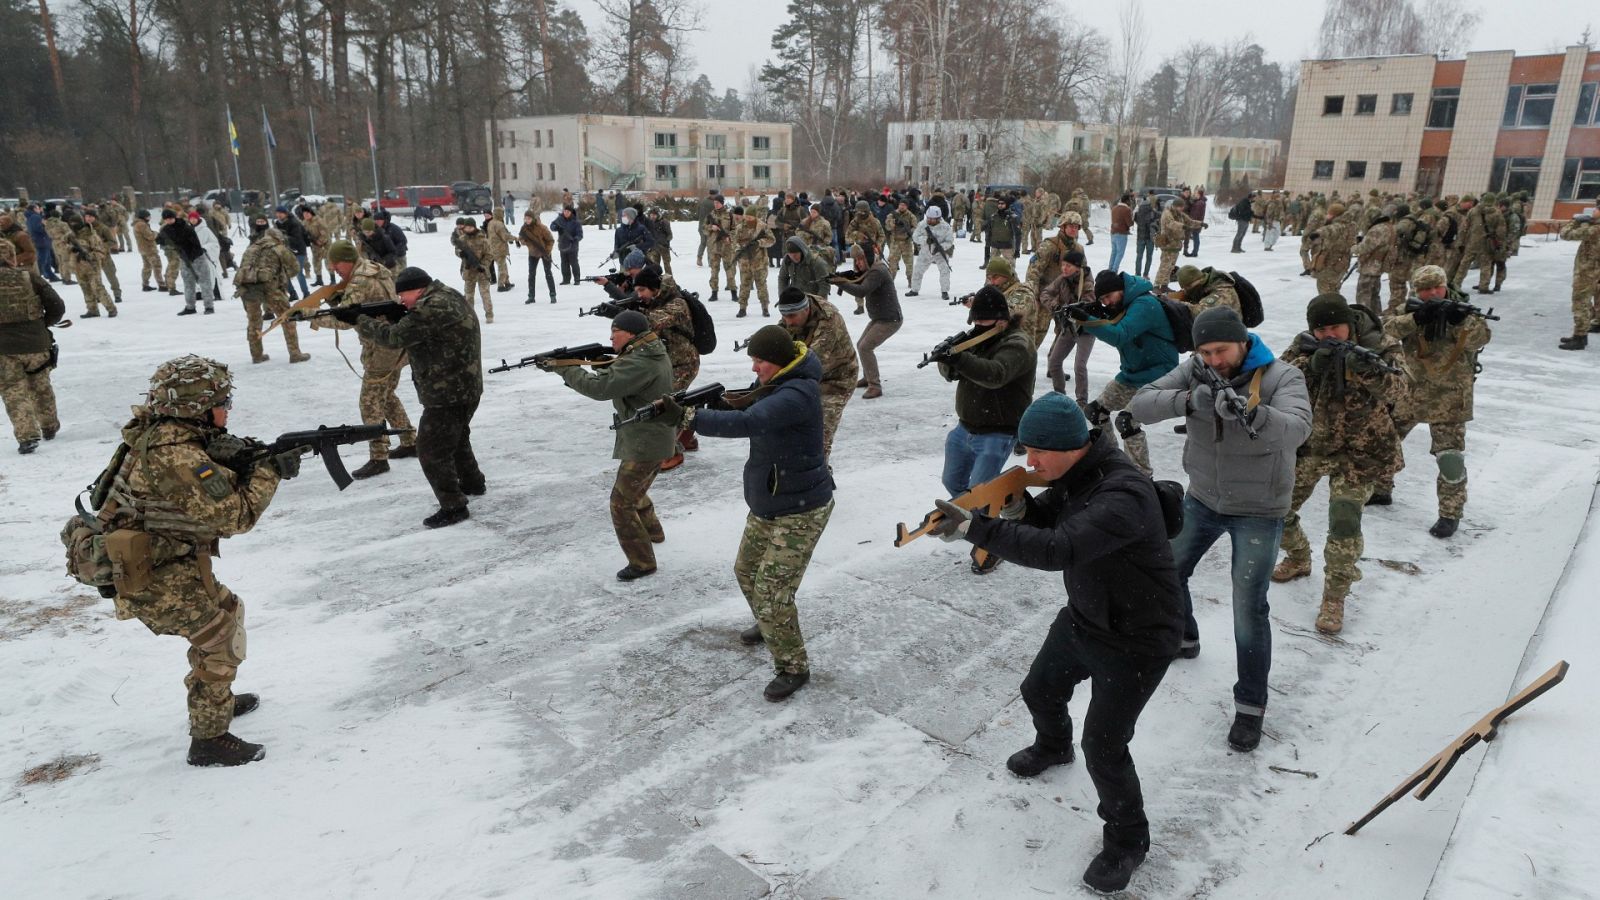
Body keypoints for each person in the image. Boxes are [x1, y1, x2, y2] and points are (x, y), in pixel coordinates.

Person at [929, 392, 1182, 894]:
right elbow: (1049, 522)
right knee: (1039, 691)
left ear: (1073, 446)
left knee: (1105, 747)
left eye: (1037, 452)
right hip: (1086, 617)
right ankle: (1052, 746)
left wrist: (977, 530)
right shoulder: (1072, 476)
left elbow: (1058, 550)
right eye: (1027, 451)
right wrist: (1019, 508)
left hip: (1139, 637)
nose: (1029, 461)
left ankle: (1128, 840)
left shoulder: (1122, 495)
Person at [1129, 307, 1311, 751]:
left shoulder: (1281, 376)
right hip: (1204, 498)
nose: (1213, 359)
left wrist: (1254, 412)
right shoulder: (1195, 369)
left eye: (1221, 350)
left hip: (1260, 509)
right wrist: (1189, 401)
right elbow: (1139, 404)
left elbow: (1299, 429)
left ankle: (1250, 707)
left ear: (1244, 342)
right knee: (1167, 571)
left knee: (1248, 611)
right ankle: (1185, 636)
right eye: (1205, 351)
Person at [106, 355, 301, 766]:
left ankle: (215, 700)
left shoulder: (165, 434)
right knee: (219, 638)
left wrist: (240, 457)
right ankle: (209, 741)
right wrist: (270, 471)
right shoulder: (176, 456)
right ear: (197, 407)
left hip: (166, 559)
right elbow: (236, 517)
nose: (227, 408)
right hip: (151, 572)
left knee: (228, 611)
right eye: (223, 401)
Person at [667, 324, 834, 702]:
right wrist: (715, 405)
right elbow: (750, 406)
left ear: (778, 361)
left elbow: (750, 422)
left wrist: (691, 419)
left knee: (772, 592)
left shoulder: (799, 393)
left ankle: (793, 667)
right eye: (753, 360)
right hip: (771, 499)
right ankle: (770, 623)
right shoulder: (778, 383)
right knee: (746, 571)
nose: (754, 367)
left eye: (760, 361)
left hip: (801, 507)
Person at [1272, 295, 1408, 634]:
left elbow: (1403, 391)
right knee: (1275, 510)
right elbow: (1276, 380)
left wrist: (1367, 372)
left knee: (1345, 520)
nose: (1330, 334)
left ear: (1350, 323)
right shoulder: (1304, 346)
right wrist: (1311, 366)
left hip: (1360, 452)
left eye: (1336, 327)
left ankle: (1334, 597)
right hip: (1313, 445)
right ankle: (1300, 557)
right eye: (1322, 329)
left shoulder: (1382, 344)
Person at [548, 309, 676, 580]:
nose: (611, 338)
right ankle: (654, 531)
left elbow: (600, 389)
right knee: (636, 489)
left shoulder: (641, 360)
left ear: (630, 334)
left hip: (646, 442)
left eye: (614, 333)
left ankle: (642, 562)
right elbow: (618, 376)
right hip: (651, 437)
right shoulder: (646, 352)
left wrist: (566, 368)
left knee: (621, 503)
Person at [352, 267, 484, 528]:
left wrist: (361, 320)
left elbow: (394, 337)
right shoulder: (448, 294)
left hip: (447, 392)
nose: (401, 301)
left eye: (403, 295)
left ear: (418, 289)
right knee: (455, 438)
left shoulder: (431, 307)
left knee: (431, 450)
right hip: (465, 386)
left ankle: (453, 505)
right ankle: (472, 482)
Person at [1373, 266, 1491, 536]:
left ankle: (1450, 513)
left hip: (1450, 396)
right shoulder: (1411, 309)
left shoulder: (1462, 310)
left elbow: (1481, 338)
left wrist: (1459, 320)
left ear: (1444, 285)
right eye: (1425, 290)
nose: (1431, 293)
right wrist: (1416, 318)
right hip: (1411, 390)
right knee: (1383, 438)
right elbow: (1384, 332)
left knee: (1449, 458)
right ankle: (1380, 488)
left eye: (1435, 288)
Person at [937, 285, 1036, 573]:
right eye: (975, 323)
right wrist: (947, 358)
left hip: (998, 432)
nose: (978, 328)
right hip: (964, 429)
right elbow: (952, 372)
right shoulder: (979, 336)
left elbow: (995, 375)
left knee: (978, 498)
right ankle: (1004, 503)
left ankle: (993, 544)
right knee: (954, 485)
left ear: (1002, 320)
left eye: (984, 323)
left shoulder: (1018, 343)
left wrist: (960, 358)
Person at [309, 240, 416, 478]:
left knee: (369, 403)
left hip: (382, 348)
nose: (334, 268)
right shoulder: (376, 269)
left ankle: (379, 458)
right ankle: (409, 440)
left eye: (336, 264)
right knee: (386, 396)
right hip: (396, 342)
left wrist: (311, 316)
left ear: (347, 261)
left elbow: (346, 319)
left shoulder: (359, 280)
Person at [1068, 270, 1177, 476]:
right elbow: (1113, 325)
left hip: (1159, 375)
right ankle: (1112, 461)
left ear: (1122, 290)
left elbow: (1120, 335)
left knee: (1127, 421)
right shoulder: (1121, 306)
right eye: (1102, 300)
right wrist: (1092, 313)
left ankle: (1141, 476)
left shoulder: (1145, 304)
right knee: (1095, 411)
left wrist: (1087, 319)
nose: (1107, 302)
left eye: (1109, 296)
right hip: (1132, 374)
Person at [0, 239, 64, 454]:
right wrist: (41, 325)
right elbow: (57, 305)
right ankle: (49, 426)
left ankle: (27, 436)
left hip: (4, 350)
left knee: (13, 391)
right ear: (12, 256)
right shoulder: (29, 276)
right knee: (41, 385)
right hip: (37, 344)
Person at [777, 286, 857, 458]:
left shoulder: (828, 321)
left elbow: (809, 362)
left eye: (791, 316)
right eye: (784, 316)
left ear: (806, 310)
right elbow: (779, 339)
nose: (787, 321)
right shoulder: (795, 308)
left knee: (819, 434)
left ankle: (819, 478)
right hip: (807, 378)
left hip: (837, 380)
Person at [633, 268, 700, 471]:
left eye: (642, 290)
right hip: (669, 363)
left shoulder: (677, 304)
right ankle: (688, 437)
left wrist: (626, 316)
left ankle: (673, 452)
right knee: (670, 402)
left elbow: (652, 322)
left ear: (655, 289)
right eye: (637, 290)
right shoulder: (655, 301)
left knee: (664, 406)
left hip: (684, 363)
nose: (639, 295)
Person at [233, 213, 309, 365]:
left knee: (254, 322)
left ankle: (256, 355)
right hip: (271, 288)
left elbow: (243, 268)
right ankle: (295, 353)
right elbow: (295, 269)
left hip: (248, 289)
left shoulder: (251, 248)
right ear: (279, 238)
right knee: (287, 318)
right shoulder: (279, 248)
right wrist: (282, 276)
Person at [832, 242, 901, 399]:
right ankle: (868, 377)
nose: (858, 263)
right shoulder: (871, 269)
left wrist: (841, 282)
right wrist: (842, 277)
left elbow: (862, 290)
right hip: (880, 318)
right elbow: (858, 279)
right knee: (861, 344)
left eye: (861, 259)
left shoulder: (878, 271)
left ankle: (875, 386)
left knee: (865, 347)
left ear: (868, 258)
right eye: (856, 260)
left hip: (890, 320)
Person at [1039, 251, 1095, 403]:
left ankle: (1082, 401)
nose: (1064, 268)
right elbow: (1045, 293)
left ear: (1077, 268)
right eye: (1063, 265)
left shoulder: (1087, 282)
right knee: (1054, 363)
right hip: (1069, 327)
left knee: (1080, 366)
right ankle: (1060, 396)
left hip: (1085, 329)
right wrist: (1055, 306)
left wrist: (1070, 309)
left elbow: (1087, 306)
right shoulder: (1062, 279)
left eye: (1068, 266)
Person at [1558, 210, 1600, 350]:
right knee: (1584, 302)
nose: (1594, 211)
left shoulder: (1594, 229)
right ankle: (1581, 334)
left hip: (1587, 272)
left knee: (1580, 302)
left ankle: (1580, 337)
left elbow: (1566, 234)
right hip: (1592, 271)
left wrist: (1576, 221)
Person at [161, 210, 213, 314]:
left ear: (174, 217)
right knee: (188, 283)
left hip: (197, 257)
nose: (169, 221)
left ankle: (209, 306)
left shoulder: (185, 227)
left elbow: (195, 244)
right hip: (183, 259)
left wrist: (191, 256)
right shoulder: (165, 230)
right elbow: (161, 240)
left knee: (204, 281)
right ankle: (190, 307)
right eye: (166, 219)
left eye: (170, 218)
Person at [65, 215, 116, 318]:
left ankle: (111, 308)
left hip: (92, 265)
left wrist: (88, 255)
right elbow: (64, 248)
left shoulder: (91, 234)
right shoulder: (70, 235)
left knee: (97, 287)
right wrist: (72, 249)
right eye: (71, 224)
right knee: (85, 288)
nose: (73, 226)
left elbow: (100, 251)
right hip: (78, 266)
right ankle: (92, 310)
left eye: (75, 223)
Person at [730, 207, 775, 317]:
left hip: (759, 262)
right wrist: (739, 248)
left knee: (761, 285)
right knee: (744, 285)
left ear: (755, 216)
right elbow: (734, 242)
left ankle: (765, 308)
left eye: (750, 216)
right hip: (745, 262)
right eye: (747, 216)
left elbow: (772, 240)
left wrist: (760, 242)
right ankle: (742, 308)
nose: (748, 218)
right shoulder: (740, 227)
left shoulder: (762, 227)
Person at [907, 206, 954, 300]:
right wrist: (925, 240)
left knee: (945, 271)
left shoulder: (946, 227)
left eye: (932, 219)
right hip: (925, 252)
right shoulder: (922, 224)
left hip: (940, 253)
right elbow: (915, 237)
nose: (929, 220)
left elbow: (949, 241)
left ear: (938, 218)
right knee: (917, 270)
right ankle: (914, 290)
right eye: (928, 218)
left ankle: (945, 291)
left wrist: (941, 247)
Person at [452, 217, 494, 322]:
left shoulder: (483, 239)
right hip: (468, 271)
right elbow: (457, 250)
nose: (468, 229)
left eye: (471, 227)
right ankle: (469, 317)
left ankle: (489, 315)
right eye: (467, 227)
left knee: (485, 294)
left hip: (482, 272)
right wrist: (460, 253)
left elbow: (489, 255)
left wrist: (483, 266)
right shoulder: (462, 239)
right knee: (469, 296)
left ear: (474, 227)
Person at [518, 210, 557, 304]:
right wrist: (526, 242)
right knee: (531, 275)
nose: (527, 220)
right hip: (532, 254)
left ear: (533, 219)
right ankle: (531, 296)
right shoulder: (524, 229)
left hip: (544, 253)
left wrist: (547, 251)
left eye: (529, 218)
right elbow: (521, 239)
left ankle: (553, 295)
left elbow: (551, 240)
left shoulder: (541, 227)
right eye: (525, 218)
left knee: (548, 273)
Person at [272, 205, 312, 299]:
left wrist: (282, 237)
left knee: (298, 273)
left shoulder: (294, 223)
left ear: (285, 213)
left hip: (299, 250)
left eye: (281, 213)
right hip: (286, 251)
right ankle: (292, 293)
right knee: (285, 273)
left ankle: (306, 294)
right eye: (277, 213)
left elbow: (297, 239)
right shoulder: (277, 223)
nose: (279, 215)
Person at [485, 208, 515, 292]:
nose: (503, 214)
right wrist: (515, 238)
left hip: (493, 248)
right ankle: (501, 285)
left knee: (503, 266)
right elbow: (505, 236)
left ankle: (507, 282)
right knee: (502, 267)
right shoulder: (499, 224)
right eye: (502, 213)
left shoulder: (491, 222)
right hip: (499, 248)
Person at [553, 206, 583, 286]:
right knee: (564, 263)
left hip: (572, 246)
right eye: (565, 211)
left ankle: (577, 279)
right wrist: (556, 227)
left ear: (571, 212)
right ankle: (566, 279)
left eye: (568, 212)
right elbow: (552, 226)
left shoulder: (576, 222)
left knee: (574, 263)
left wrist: (575, 239)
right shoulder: (560, 219)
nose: (566, 213)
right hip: (562, 245)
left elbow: (580, 235)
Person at [1109, 193, 1133, 272]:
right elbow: (1129, 223)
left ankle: (1110, 269)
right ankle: (1114, 270)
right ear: (1126, 201)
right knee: (1120, 253)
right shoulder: (1127, 210)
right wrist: (1133, 219)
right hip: (1121, 233)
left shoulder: (1114, 208)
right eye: (1129, 200)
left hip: (1113, 232)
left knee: (1114, 252)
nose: (1130, 201)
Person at [1185, 187, 1208, 257]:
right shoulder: (1200, 202)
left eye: (1195, 193)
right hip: (1198, 222)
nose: (1194, 194)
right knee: (1195, 236)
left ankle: (1195, 252)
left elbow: (1196, 214)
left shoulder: (1199, 203)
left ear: (1199, 194)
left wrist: (1192, 221)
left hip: (1196, 222)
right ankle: (1195, 252)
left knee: (1196, 237)